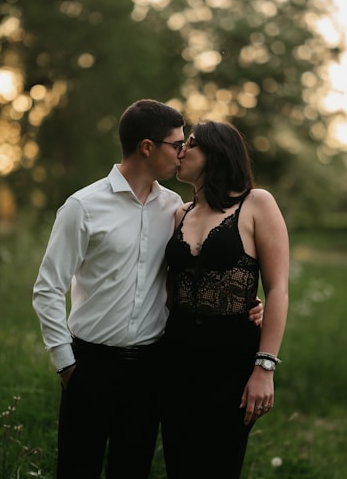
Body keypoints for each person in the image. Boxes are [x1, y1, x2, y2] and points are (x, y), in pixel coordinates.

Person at [31, 100, 262, 479]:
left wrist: (248, 302)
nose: (183, 152)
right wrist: (67, 366)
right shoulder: (82, 207)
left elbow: (195, 272)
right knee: (77, 469)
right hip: (89, 365)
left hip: (152, 370)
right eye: (176, 144)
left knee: (132, 470)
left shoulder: (175, 208)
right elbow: (47, 289)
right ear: (147, 147)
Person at [160, 120, 290, 478]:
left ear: (217, 152)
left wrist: (265, 367)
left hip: (232, 358)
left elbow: (277, 288)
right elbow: (170, 290)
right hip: (178, 353)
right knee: (179, 461)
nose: (180, 151)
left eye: (190, 144)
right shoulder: (178, 214)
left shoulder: (256, 203)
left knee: (219, 463)